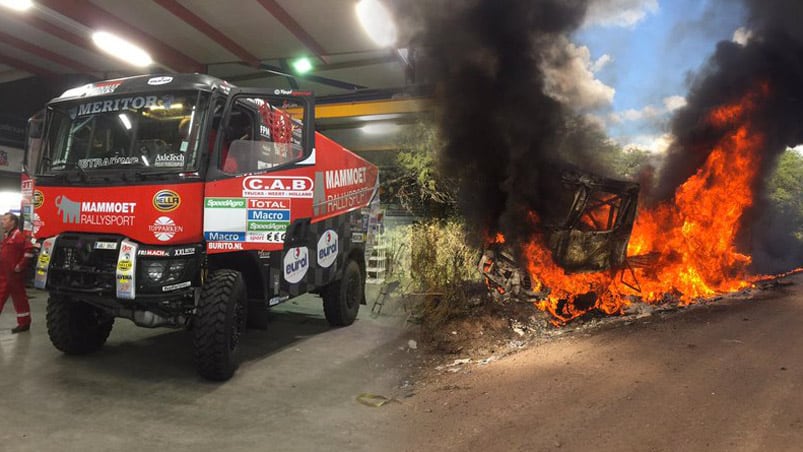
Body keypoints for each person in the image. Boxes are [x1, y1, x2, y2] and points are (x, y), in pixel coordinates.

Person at [0, 212, 34, 333]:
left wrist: (20, 266)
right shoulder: (8, 235)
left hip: (13, 274)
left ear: (12, 222)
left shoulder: (18, 236)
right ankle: (24, 322)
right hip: (5, 273)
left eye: (5, 219)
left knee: (18, 298)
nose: (2, 221)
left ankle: (24, 323)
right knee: (18, 298)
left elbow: (29, 250)